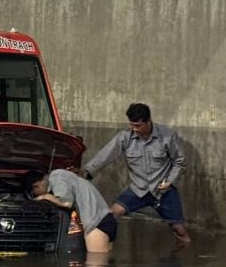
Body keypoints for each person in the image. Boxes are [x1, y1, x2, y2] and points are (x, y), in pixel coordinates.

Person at [74, 103, 190, 244]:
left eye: (138, 125)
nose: (134, 129)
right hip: (138, 189)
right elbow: (105, 155)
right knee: (110, 216)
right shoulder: (125, 137)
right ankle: (101, 249)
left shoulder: (167, 136)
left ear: (148, 122)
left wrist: (170, 181)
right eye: (132, 125)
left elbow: (179, 161)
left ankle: (185, 256)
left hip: (163, 190)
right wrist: (87, 171)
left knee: (179, 229)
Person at [26, 169, 117, 253]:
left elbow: (66, 203)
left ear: (35, 187)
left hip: (96, 225)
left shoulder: (56, 176)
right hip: (105, 219)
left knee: (95, 264)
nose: (36, 196)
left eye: (34, 194)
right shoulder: (67, 177)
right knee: (105, 264)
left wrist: (45, 197)